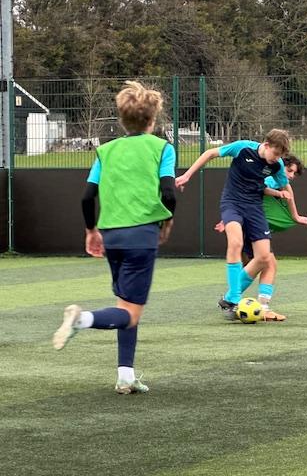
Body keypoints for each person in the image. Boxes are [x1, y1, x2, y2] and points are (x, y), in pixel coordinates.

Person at [52, 81, 177, 394]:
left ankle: (125, 376)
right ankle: (81, 319)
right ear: (153, 120)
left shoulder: (106, 151)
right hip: (142, 235)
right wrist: (167, 220)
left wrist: (91, 230)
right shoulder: (162, 148)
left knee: (126, 307)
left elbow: (86, 197)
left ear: (122, 120)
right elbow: (168, 192)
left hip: (112, 235)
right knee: (130, 312)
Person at [175, 130, 290, 319]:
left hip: (254, 207)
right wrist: (187, 175)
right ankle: (235, 300)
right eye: (276, 154)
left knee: (263, 257)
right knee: (235, 243)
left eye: (280, 156)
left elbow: (285, 185)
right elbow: (209, 153)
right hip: (232, 203)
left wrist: (292, 209)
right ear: (266, 145)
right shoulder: (242, 148)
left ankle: (229, 297)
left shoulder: (276, 166)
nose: (277, 159)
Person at [214, 154, 307, 321]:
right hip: (251, 228)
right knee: (268, 263)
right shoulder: (272, 179)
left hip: (251, 226)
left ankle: (230, 299)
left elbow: (285, 194)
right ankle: (258, 306)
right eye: (289, 171)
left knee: (265, 263)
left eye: (294, 173)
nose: (291, 176)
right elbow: (255, 192)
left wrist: (295, 215)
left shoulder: (272, 178)